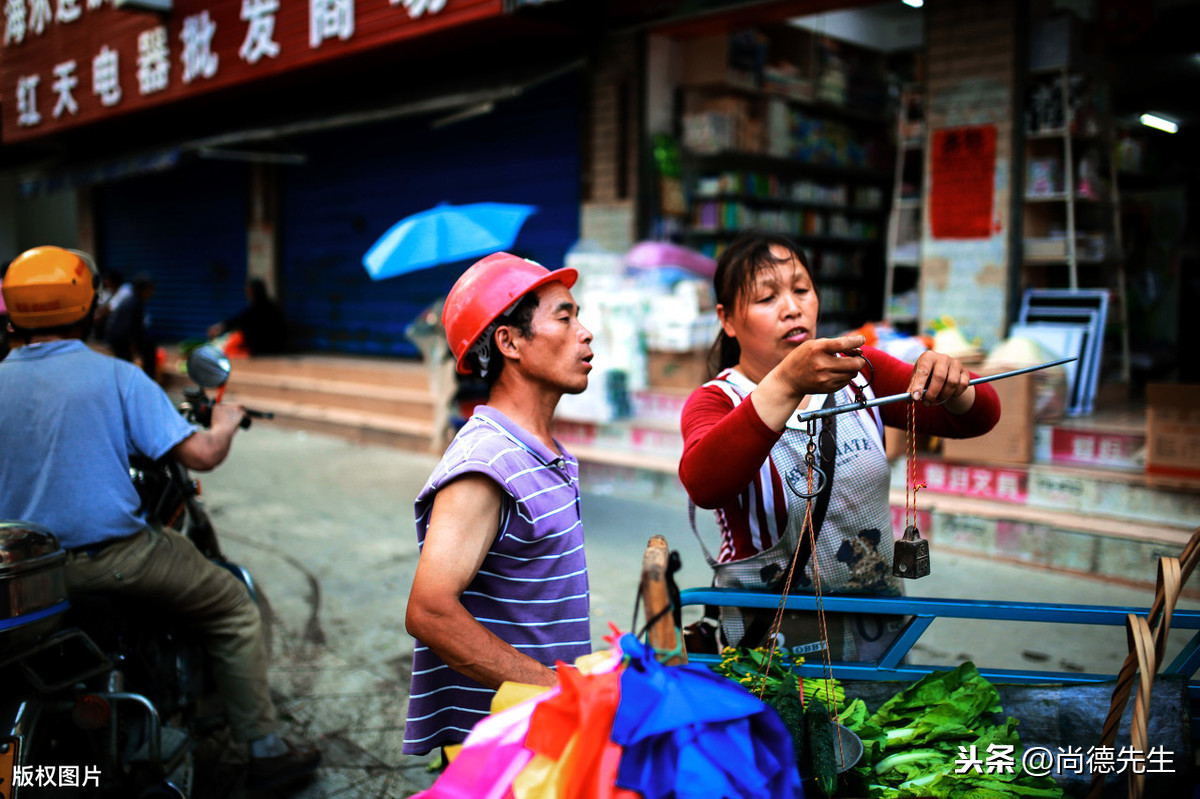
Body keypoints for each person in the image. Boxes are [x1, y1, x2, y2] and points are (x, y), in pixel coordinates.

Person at [0, 246, 320, 792]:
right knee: (233, 608)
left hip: (24, 583)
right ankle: (266, 751)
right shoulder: (118, 378)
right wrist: (222, 420)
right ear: (90, 306)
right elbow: (200, 457)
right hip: (113, 559)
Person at [678, 232, 1001, 660]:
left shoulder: (860, 373)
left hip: (876, 629)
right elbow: (705, 484)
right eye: (767, 298)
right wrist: (788, 382)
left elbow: (978, 416)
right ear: (728, 320)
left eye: (801, 290)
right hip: (769, 644)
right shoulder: (716, 400)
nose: (792, 308)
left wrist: (950, 381)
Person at [402, 252, 595, 757]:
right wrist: (551, 688)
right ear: (509, 341)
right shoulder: (487, 462)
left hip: (541, 735)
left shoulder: (541, 451)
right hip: (500, 749)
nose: (585, 332)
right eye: (564, 317)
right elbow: (429, 611)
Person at [208, 278, 287, 356]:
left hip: (260, 348)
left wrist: (220, 327)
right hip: (269, 347)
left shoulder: (258, 309)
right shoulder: (268, 306)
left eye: (249, 291)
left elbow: (238, 320)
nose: (247, 293)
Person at [106, 271, 158, 379]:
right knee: (127, 365)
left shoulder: (136, 301)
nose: (152, 292)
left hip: (123, 338)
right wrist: (132, 344)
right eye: (150, 288)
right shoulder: (133, 303)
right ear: (143, 289)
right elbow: (129, 327)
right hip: (121, 339)